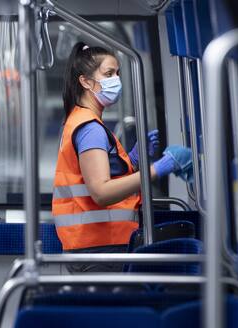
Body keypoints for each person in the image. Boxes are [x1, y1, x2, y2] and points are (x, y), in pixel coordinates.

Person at [53, 42, 192, 273]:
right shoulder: (90, 128)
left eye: (117, 73)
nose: (115, 80)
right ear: (85, 81)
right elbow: (101, 192)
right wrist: (158, 168)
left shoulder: (82, 120)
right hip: (99, 249)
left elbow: (93, 177)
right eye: (108, 74)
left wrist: (133, 162)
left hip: (97, 246)